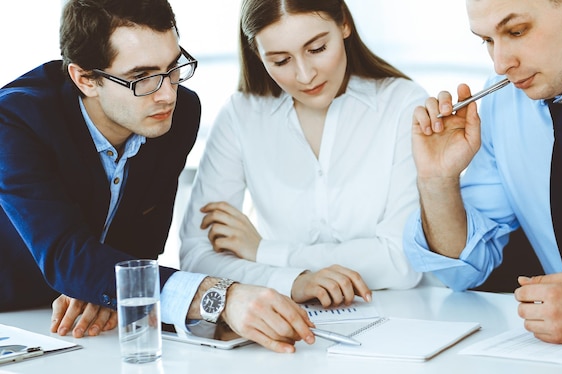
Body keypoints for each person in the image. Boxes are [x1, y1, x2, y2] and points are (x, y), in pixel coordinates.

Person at [0, 0, 324, 354]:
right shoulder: (15, 121)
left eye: (172, 68)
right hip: (13, 319)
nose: (168, 93)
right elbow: (66, 254)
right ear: (85, 79)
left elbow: (141, 246)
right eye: (142, 78)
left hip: (87, 326)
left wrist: (105, 287)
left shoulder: (179, 112)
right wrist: (220, 296)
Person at [403, 0, 562, 345]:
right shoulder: (502, 104)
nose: (501, 63)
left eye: (517, 31)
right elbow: (464, 269)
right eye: (488, 41)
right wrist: (438, 180)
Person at [179, 0, 426, 307]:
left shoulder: (403, 105)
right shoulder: (240, 116)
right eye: (281, 61)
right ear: (258, 54)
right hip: (283, 327)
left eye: (318, 49)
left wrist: (264, 252)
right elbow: (196, 258)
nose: (305, 75)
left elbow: (403, 261)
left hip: (405, 321)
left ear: (344, 24)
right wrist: (293, 282)